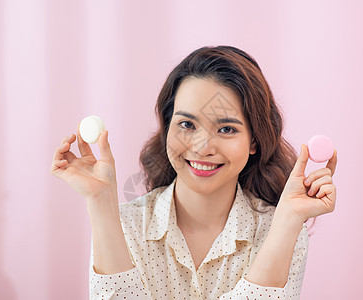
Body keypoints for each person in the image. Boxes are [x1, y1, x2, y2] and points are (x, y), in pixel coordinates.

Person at [50, 45, 338, 300]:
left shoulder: (281, 230)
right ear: (167, 128)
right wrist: (100, 203)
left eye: (226, 129)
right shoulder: (126, 224)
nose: (202, 148)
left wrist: (286, 223)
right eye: (187, 124)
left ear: (254, 140)